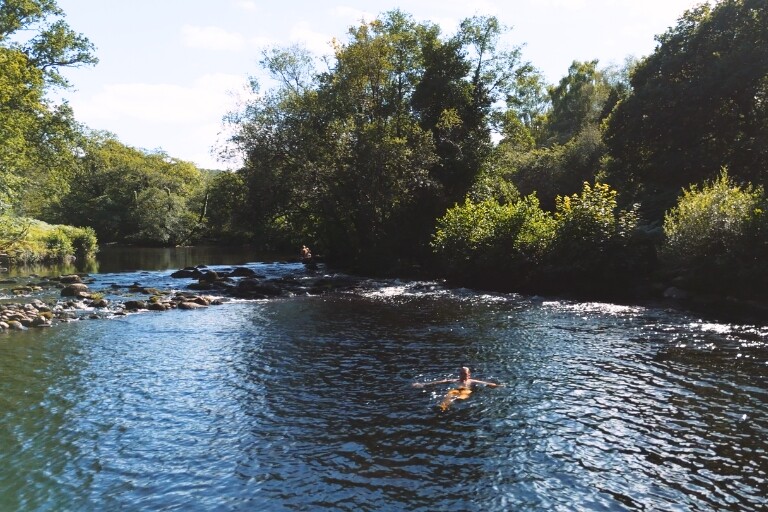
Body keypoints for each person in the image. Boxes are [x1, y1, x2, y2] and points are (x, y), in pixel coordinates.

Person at [412, 367, 501, 411]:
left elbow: (484, 383)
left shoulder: (471, 381)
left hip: (466, 390)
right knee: (449, 394)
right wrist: (423, 384)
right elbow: (441, 382)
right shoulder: (455, 380)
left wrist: (496, 385)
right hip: (456, 390)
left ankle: (454, 403)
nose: (462, 375)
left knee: (460, 397)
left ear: (469, 374)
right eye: (461, 373)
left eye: (464, 374)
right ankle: (443, 406)